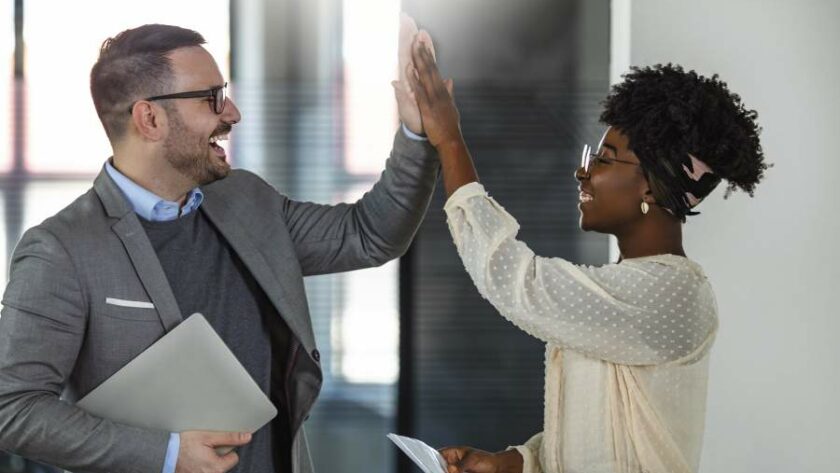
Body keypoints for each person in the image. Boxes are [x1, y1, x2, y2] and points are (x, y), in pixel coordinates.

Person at [0, 21, 438, 473]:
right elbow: (12, 407)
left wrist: (416, 133)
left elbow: (370, 234)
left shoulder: (247, 200)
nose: (231, 113)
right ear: (149, 118)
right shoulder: (62, 250)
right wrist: (166, 455)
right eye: (212, 97)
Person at [406, 38, 767, 473]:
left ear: (650, 187)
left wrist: (449, 142)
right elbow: (597, 440)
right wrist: (514, 463)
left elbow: (518, 283)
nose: (584, 170)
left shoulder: (672, 292)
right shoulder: (625, 290)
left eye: (605, 159)